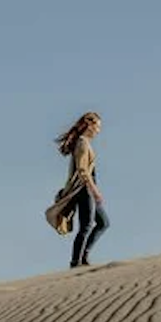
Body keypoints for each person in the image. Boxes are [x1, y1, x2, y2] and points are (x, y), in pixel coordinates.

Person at [54, 111, 109, 267]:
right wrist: (94, 190)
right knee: (86, 226)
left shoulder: (84, 143)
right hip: (84, 189)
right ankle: (75, 262)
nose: (99, 130)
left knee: (103, 223)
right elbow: (82, 170)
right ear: (89, 124)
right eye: (97, 126)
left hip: (89, 189)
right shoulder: (83, 143)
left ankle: (83, 255)